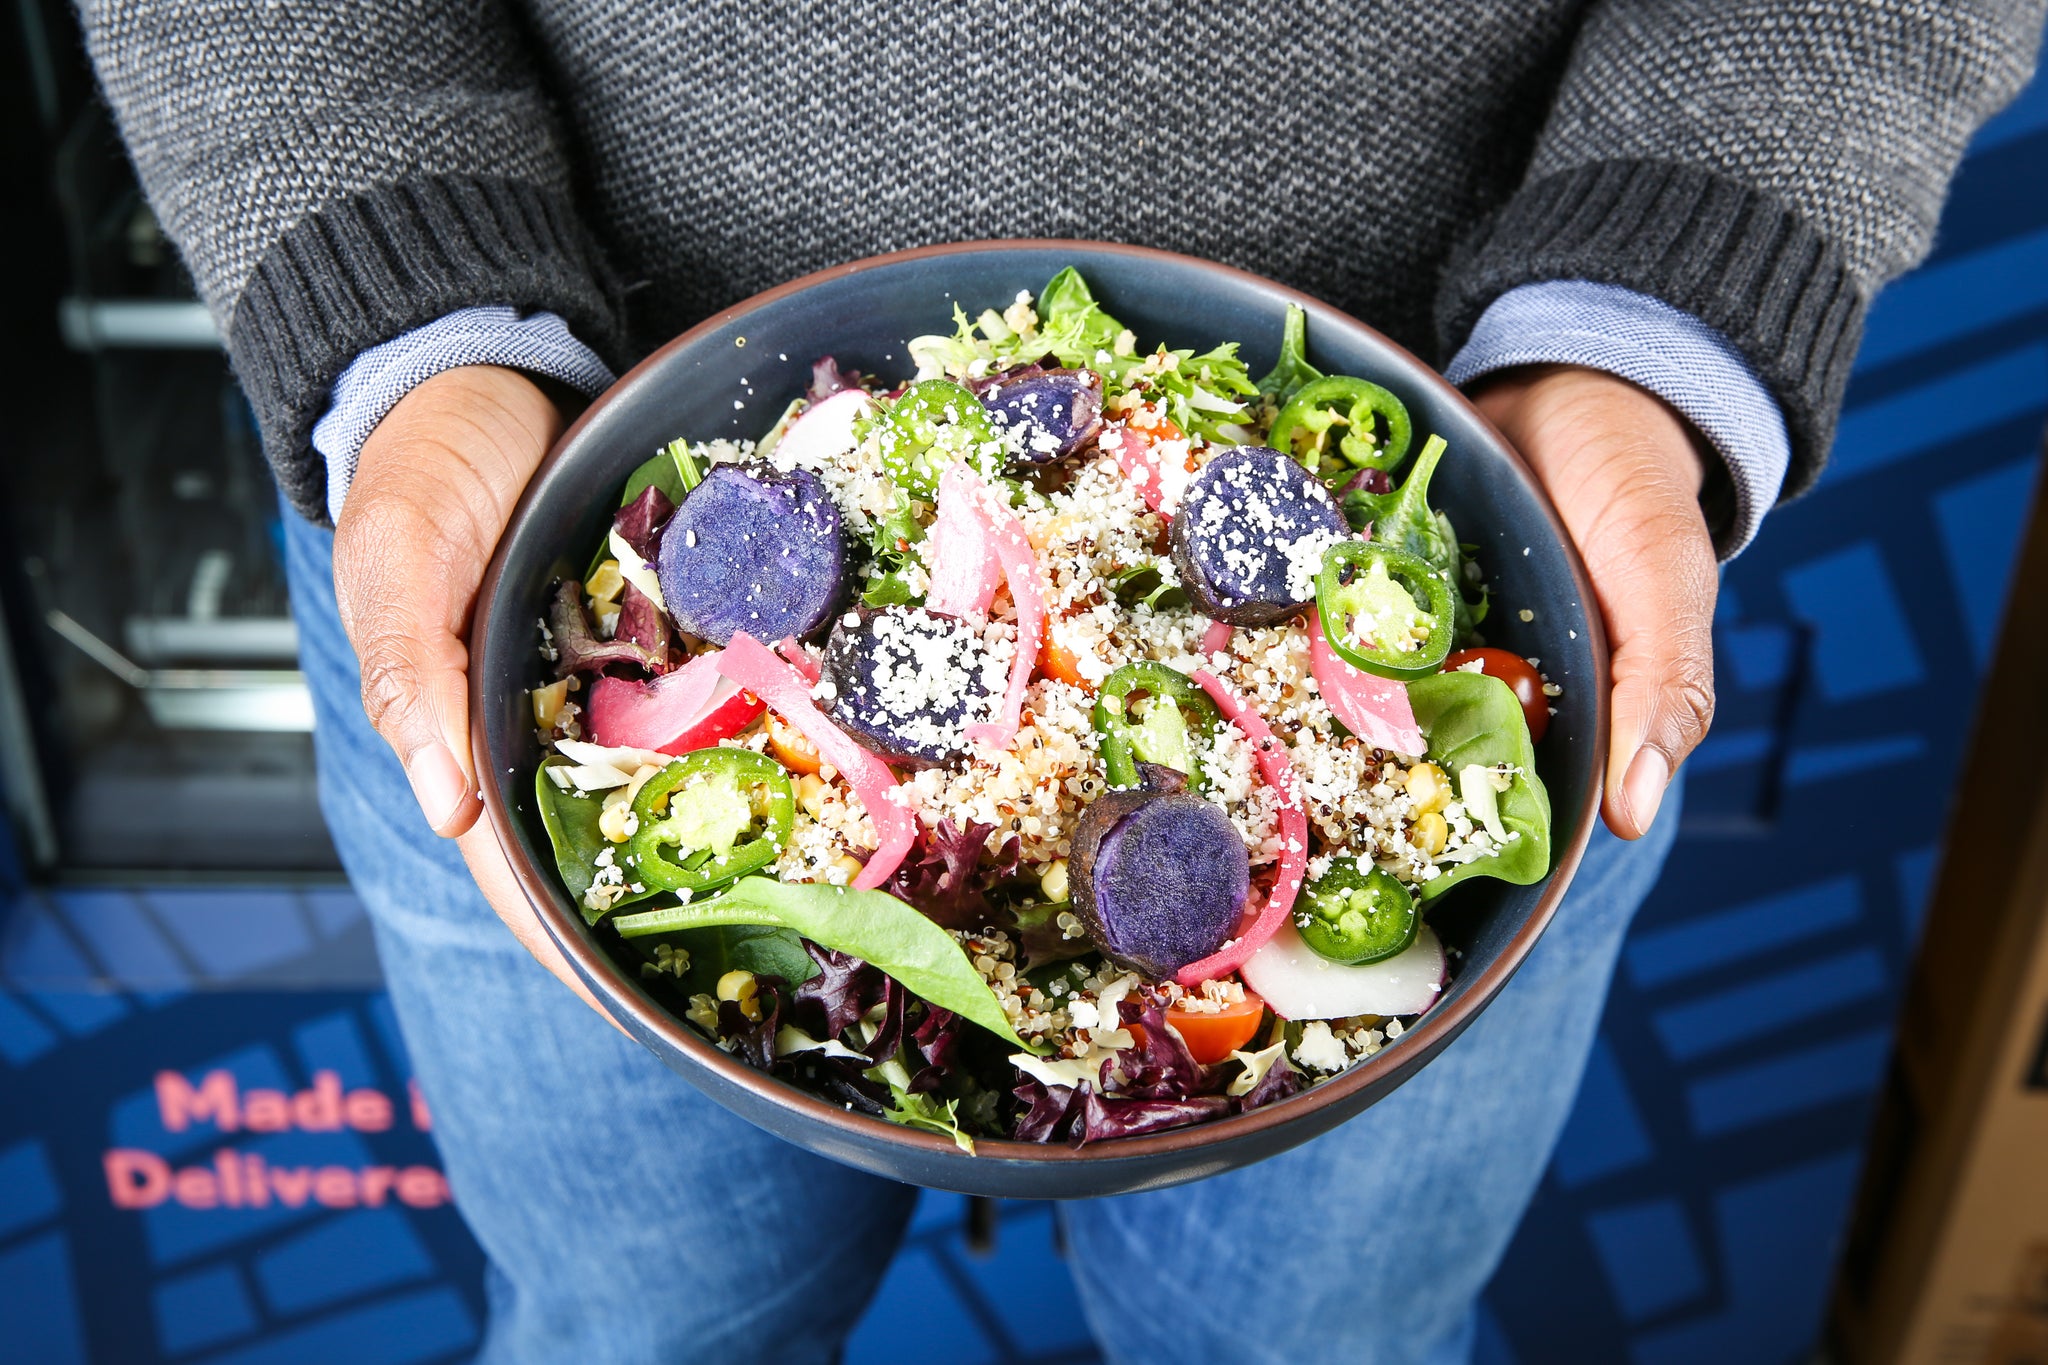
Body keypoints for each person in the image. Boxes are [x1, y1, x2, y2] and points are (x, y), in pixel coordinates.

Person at [83, 4, 2043, 1361]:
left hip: (1465, 494)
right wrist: (411, 332)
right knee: (633, 1322)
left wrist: (1650, 325)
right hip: (525, 498)